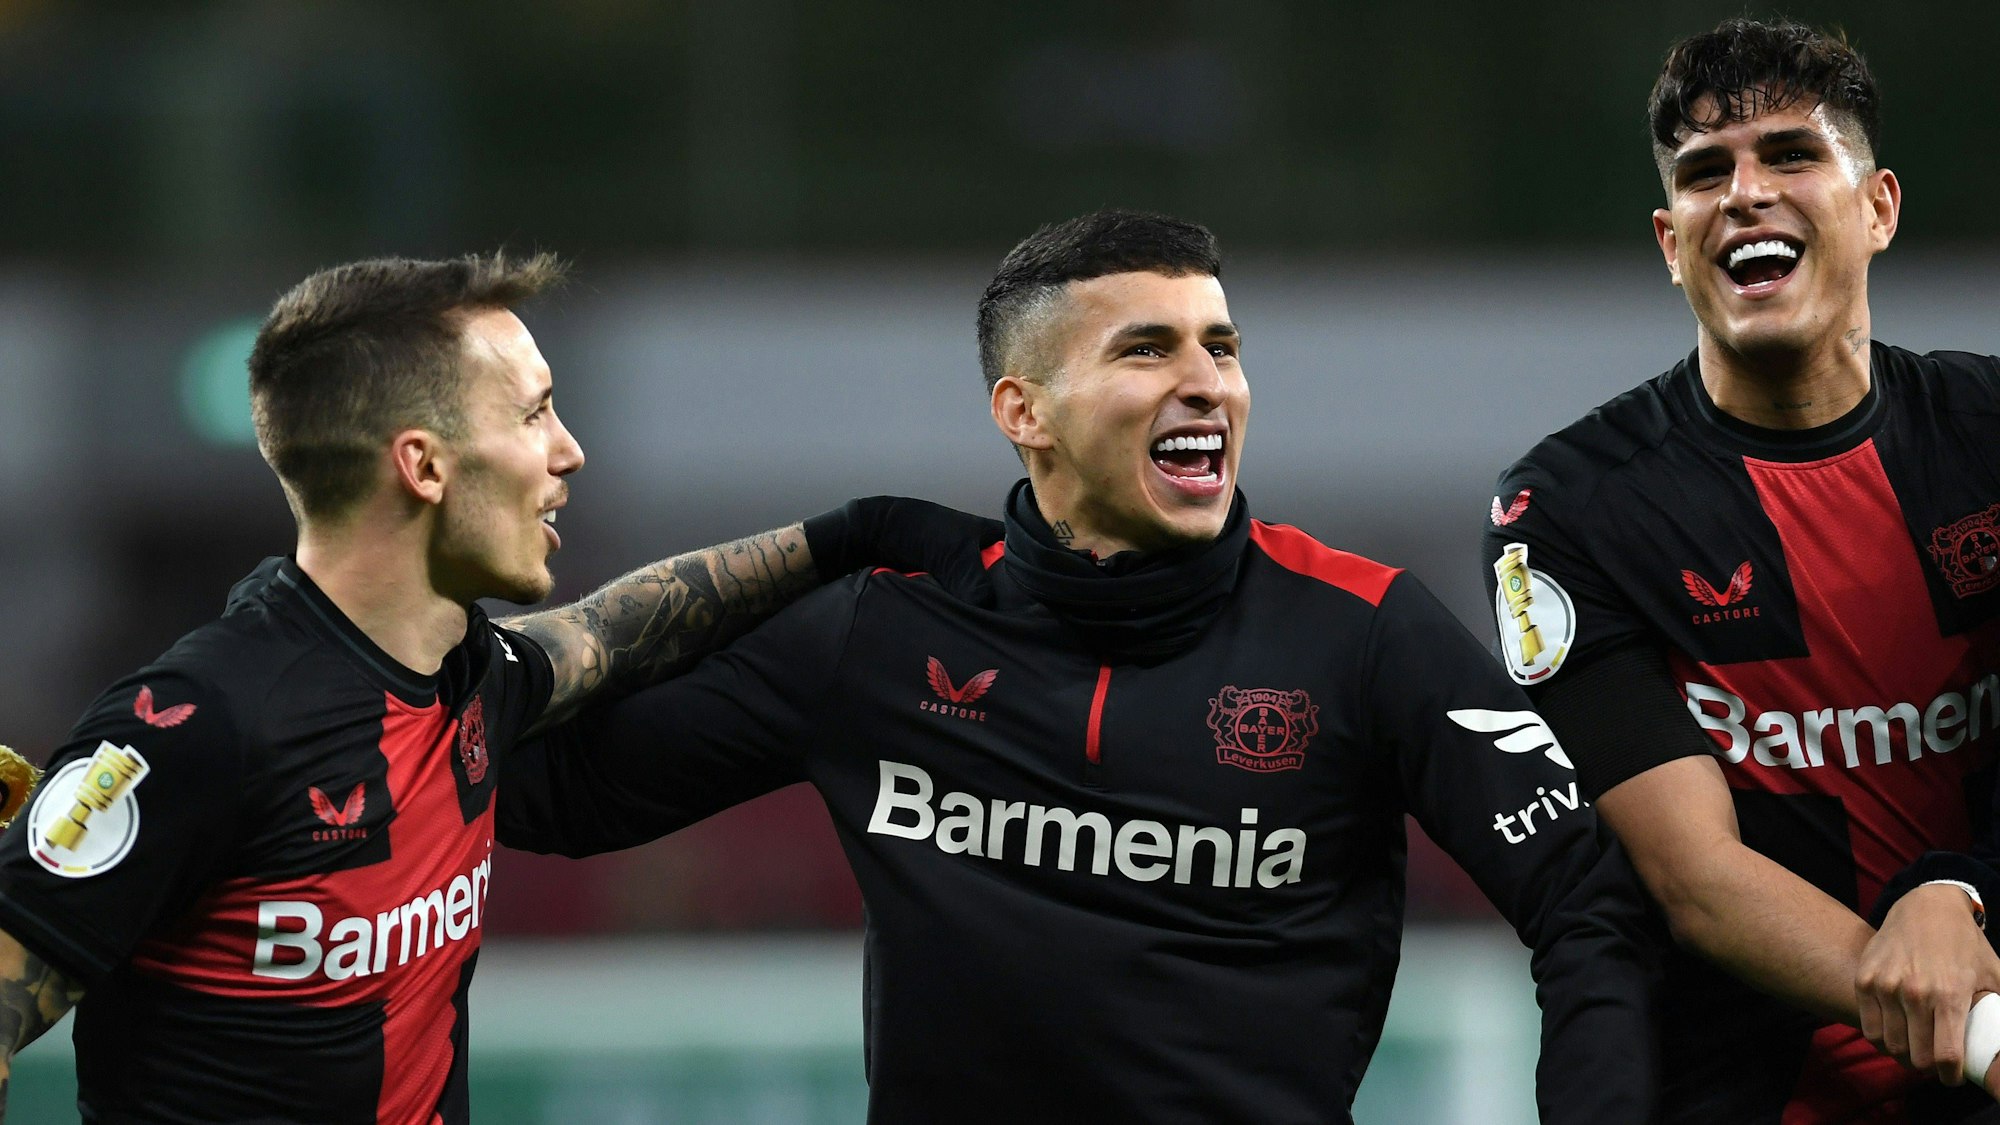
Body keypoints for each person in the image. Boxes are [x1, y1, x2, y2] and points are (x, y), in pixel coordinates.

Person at [499, 209, 1658, 1123]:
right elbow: (548, 794)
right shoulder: (880, 635)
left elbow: (1585, 902)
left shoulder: (1364, 629)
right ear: (1025, 411)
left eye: (1221, 346)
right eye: (1144, 349)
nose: (1203, 380)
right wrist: (824, 540)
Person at [0, 252, 967, 1124]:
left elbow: (608, 633)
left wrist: (840, 537)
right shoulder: (200, 721)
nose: (568, 450)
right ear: (422, 464)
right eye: (535, 412)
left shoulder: (466, 676)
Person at [1480, 18, 2000, 1122]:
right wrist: (1973, 1024)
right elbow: (1694, 880)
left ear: (1878, 209)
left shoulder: (1987, 437)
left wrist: (1953, 895)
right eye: (1705, 173)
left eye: (1790, 155)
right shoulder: (1568, 509)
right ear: (1672, 244)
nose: (1744, 193)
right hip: (1758, 1091)